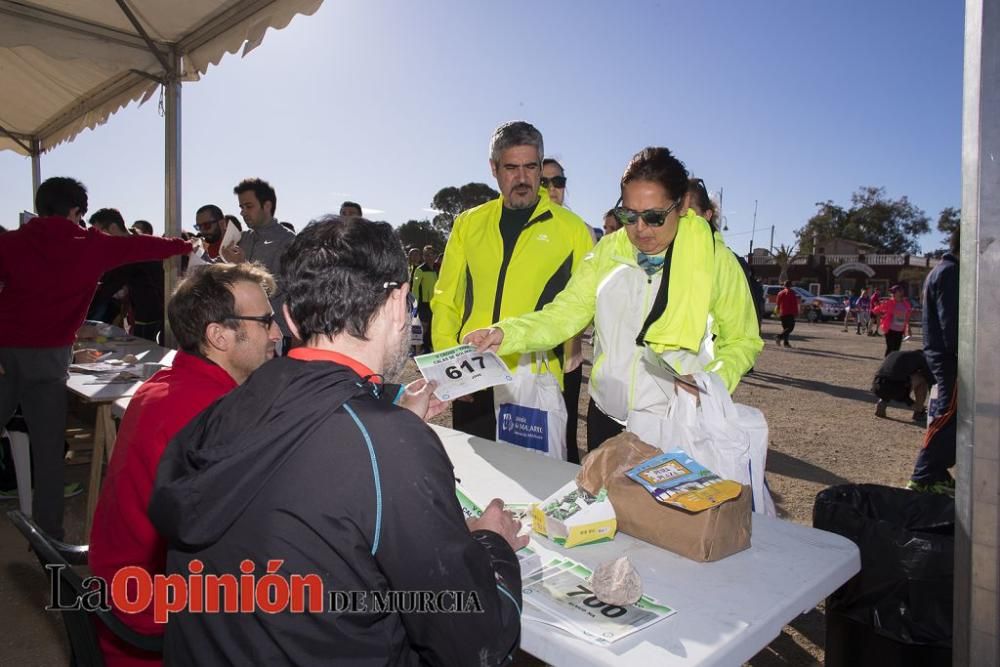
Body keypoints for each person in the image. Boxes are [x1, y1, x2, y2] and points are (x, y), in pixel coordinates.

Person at [149, 216, 525, 665]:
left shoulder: (223, 410)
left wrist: (388, 411)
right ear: (398, 303)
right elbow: (474, 642)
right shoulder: (389, 446)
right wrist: (492, 546)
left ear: (288, 317)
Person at [466, 147, 762, 451]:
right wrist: (506, 333)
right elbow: (563, 314)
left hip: (675, 424)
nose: (640, 229)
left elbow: (743, 340)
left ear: (683, 204)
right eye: (628, 215)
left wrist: (712, 382)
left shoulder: (715, 259)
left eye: (654, 216)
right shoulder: (607, 252)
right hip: (606, 419)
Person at [89, 263, 281, 667]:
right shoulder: (211, 417)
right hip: (157, 620)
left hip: (122, 590)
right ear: (219, 335)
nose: (277, 333)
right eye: (266, 321)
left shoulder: (166, 386)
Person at [0, 177, 191, 538]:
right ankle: (49, 538)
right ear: (75, 211)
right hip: (51, 359)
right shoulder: (91, 245)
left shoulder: (9, 242)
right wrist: (183, 244)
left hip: (5, 352)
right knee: (49, 453)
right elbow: (143, 246)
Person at [431, 121, 593, 441]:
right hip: (473, 373)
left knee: (534, 485)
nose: (522, 178)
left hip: (536, 380)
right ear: (493, 169)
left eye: (531, 167)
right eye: (511, 168)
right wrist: (451, 366)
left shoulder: (572, 229)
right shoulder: (468, 223)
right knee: (475, 480)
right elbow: (446, 298)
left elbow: (581, 305)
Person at [909, 231, 959, 494]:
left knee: (951, 414)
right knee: (947, 415)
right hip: (948, 355)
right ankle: (923, 475)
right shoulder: (950, 273)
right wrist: (962, 351)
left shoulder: (942, 270)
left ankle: (936, 472)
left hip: (942, 353)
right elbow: (951, 321)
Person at [222, 178, 296, 338]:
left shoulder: (288, 241)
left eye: (248, 206)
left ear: (267, 206)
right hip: (241, 330)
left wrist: (242, 266)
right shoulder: (241, 238)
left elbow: (279, 288)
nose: (242, 212)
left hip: (274, 334)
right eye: (241, 207)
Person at [88, 208, 171, 342]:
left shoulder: (133, 248)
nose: (98, 239)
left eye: (100, 233)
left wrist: (83, 312)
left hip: (156, 319)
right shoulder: (135, 243)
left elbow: (111, 284)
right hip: (146, 316)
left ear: (113, 228)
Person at [872, 349, 932, 421]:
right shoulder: (922, 358)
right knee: (922, 379)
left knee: (892, 378)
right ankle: (919, 411)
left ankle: (883, 400)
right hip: (896, 389)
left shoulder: (895, 353)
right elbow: (930, 380)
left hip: (877, 386)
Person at [872, 284, 912, 356]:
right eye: (894, 292)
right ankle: (887, 364)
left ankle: (892, 365)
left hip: (900, 331)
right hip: (890, 330)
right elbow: (876, 310)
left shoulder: (906, 304)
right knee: (890, 349)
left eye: (898, 291)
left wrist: (908, 328)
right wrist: (882, 316)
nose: (894, 293)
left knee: (896, 350)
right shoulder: (889, 302)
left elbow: (907, 317)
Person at [411, 245, 438, 354]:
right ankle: (417, 353)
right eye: (426, 255)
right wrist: (415, 305)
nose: (429, 257)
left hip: (435, 304)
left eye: (431, 254)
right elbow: (415, 289)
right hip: (423, 304)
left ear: (435, 255)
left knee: (433, 328)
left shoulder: (437, 269)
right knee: (422, 329)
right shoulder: (420, 270)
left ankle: (429, 349)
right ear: (423, 256)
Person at [775, 280, 799, 347]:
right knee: (790, 328)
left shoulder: (780, 293)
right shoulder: (791, 292)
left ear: (784, 285)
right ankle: (779, 337)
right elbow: (794, 304)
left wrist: (777, 312)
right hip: (790, 313)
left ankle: (786, 343)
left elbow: (777, 304)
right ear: (791, 285)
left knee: (785, 328)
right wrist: (796, 313)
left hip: (782, 313)